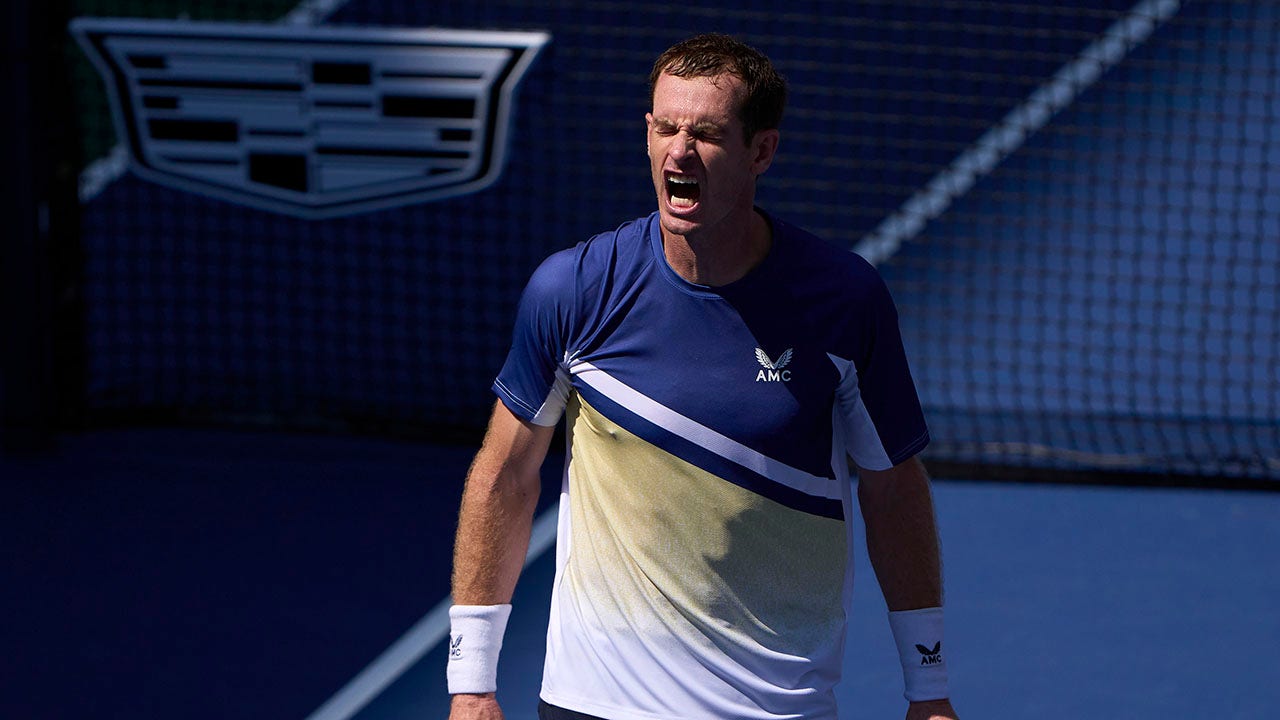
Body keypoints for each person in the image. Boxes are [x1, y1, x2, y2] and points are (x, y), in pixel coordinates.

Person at [447, 33, 959, 720]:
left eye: (708, 134)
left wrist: (929, 688)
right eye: (665, 128)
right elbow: (506, 474)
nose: (679, 152)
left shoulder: (845, 303)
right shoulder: (574, 291)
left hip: (775, 707)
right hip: (594, 703)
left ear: (761, 151)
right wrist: (472, 682)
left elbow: (893, 489)